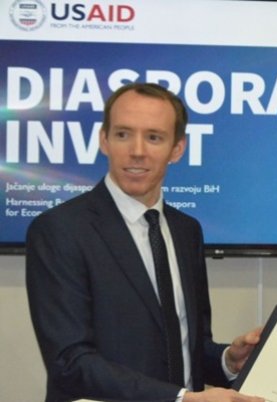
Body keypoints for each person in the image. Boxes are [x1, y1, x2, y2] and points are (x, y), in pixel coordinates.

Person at [26, 83, 263, 402]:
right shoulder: (60, 229)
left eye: (154, 137)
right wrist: (181, 399)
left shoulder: (186, 231)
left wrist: (227, 361)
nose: (137, 150)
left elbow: (183, 347)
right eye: (123, 134)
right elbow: (70, 363)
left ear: (177, 149)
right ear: (104, 140)